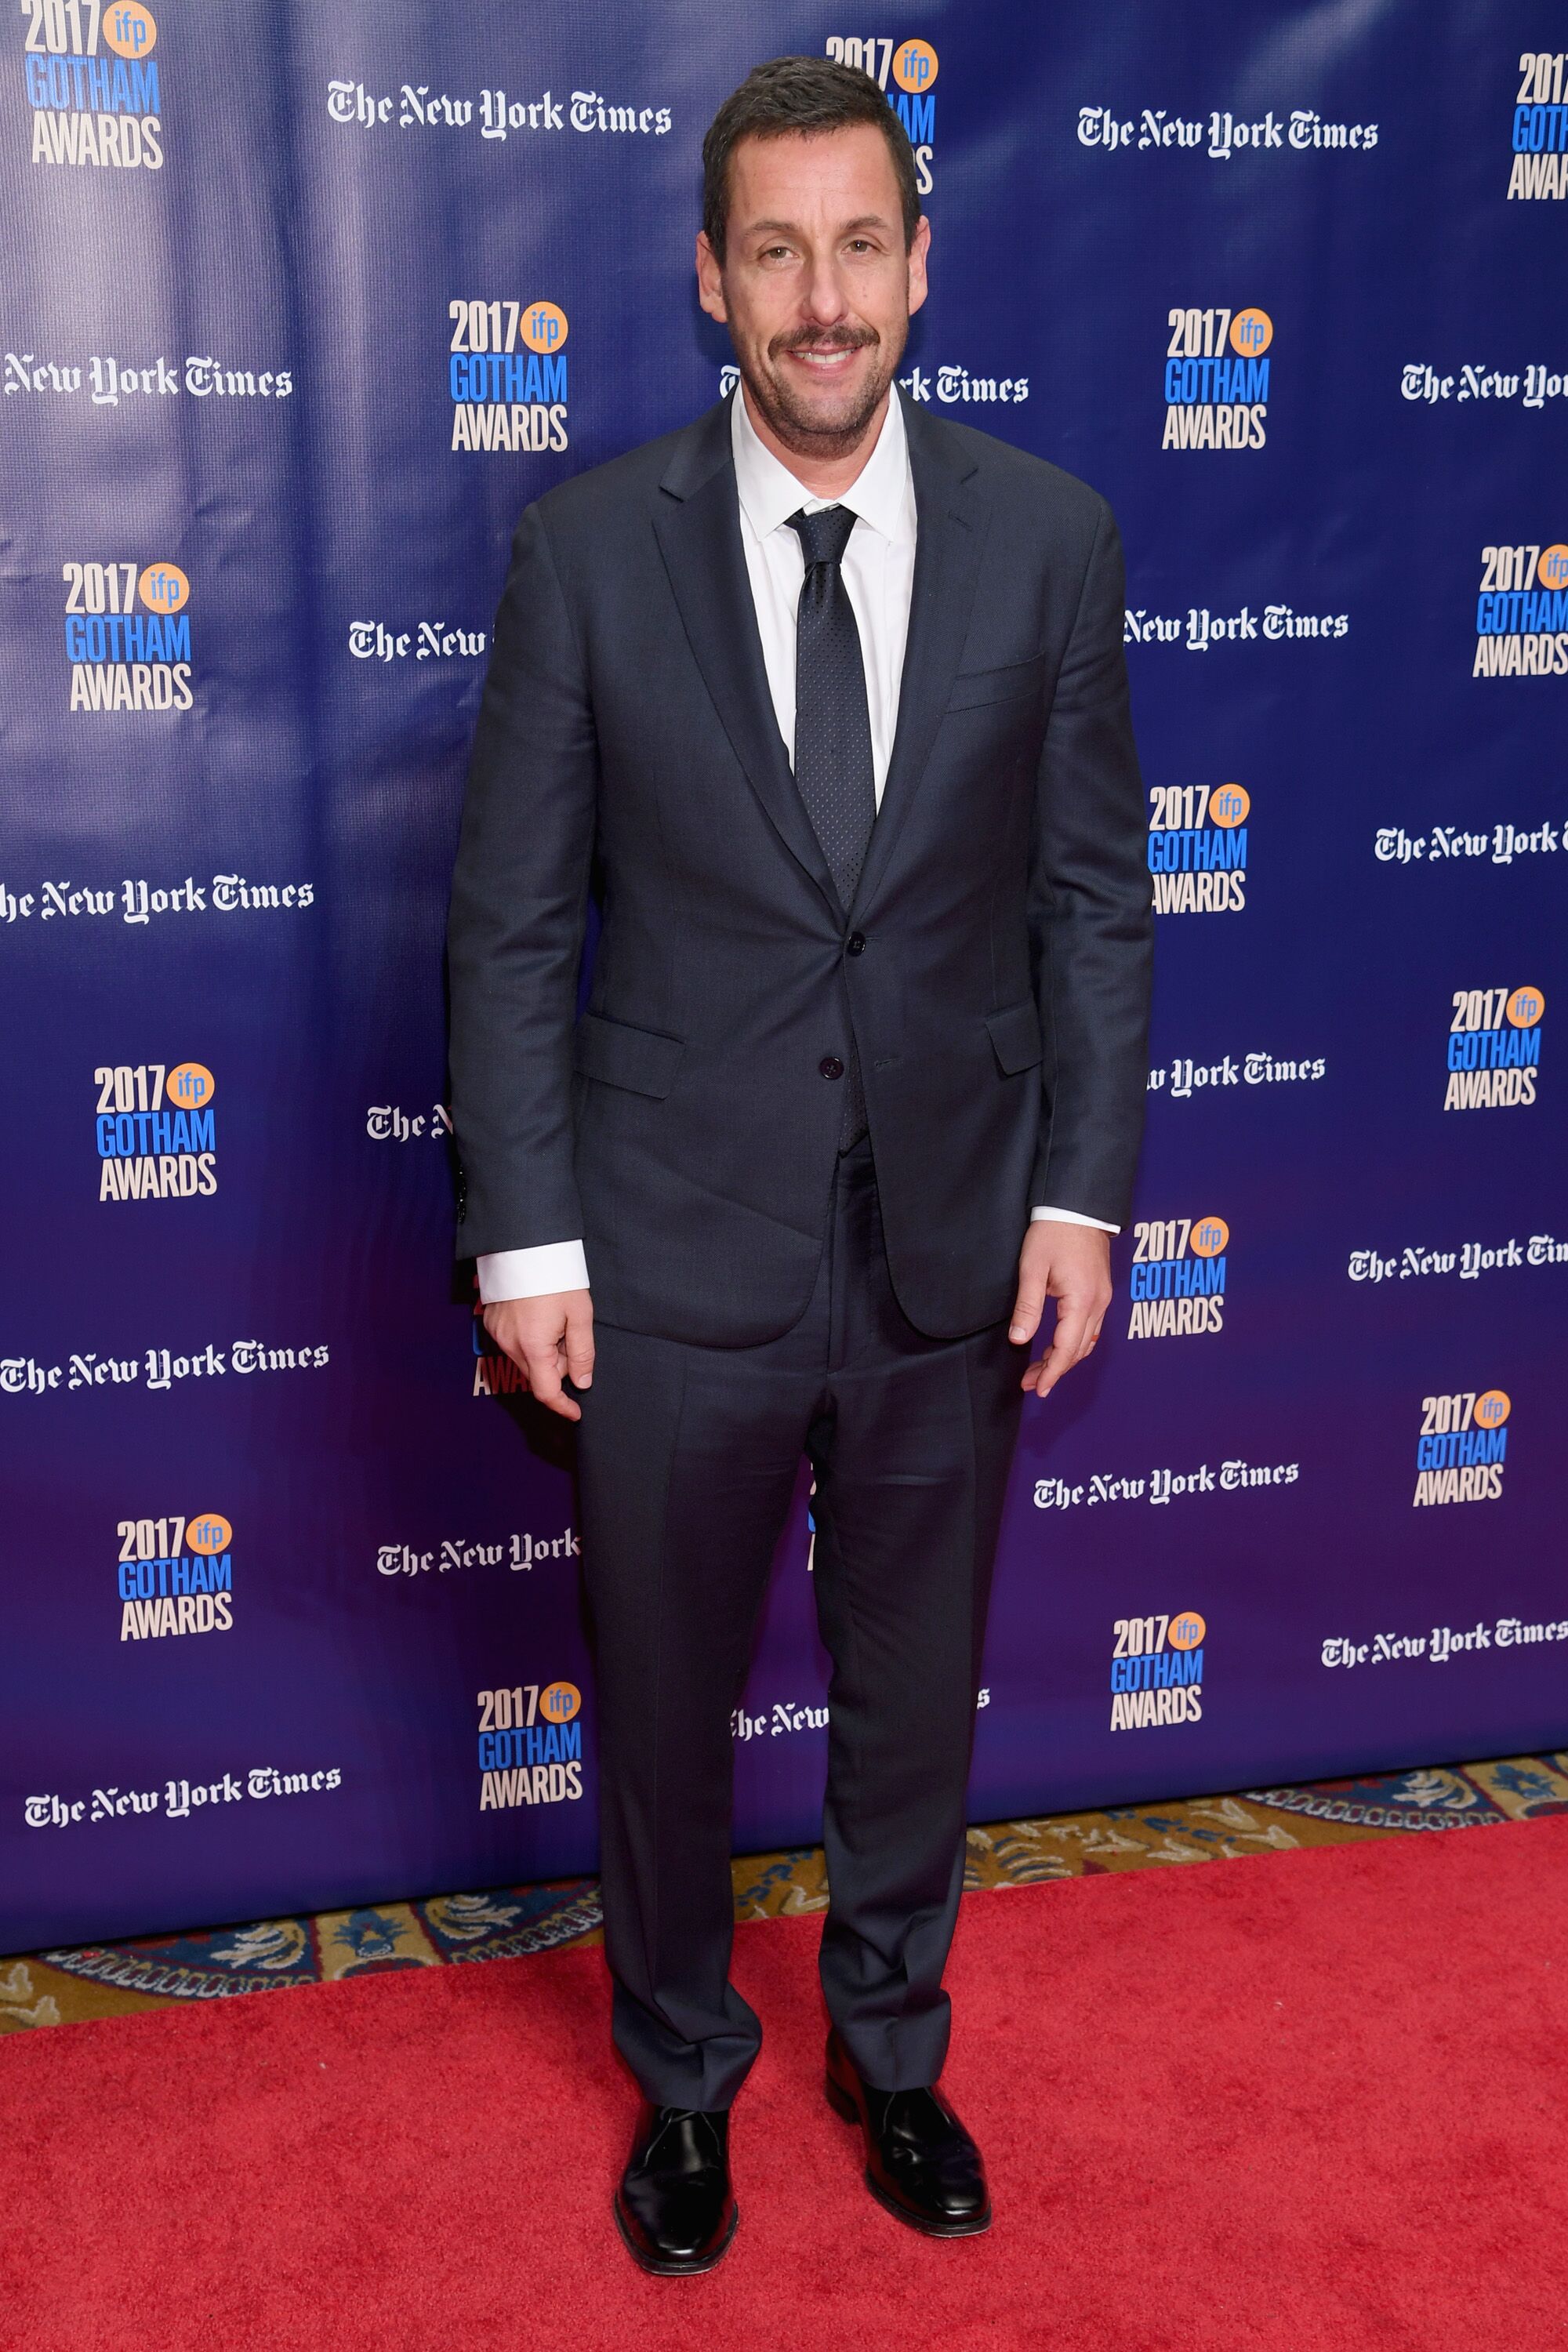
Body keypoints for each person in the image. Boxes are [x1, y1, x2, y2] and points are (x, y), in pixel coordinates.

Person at [447, 54, 1152, 2274]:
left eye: (862, 247)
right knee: (659, 1705)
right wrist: (528, 1236)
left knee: (911, 1683)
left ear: (922, 267)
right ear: (710, 278)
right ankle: (681, 2084)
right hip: (666, 1251)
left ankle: (889, 2044)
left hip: (951, 1240)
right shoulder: (584, 554)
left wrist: (1080, 1193)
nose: (821, 298)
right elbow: (509, 920)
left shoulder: (1052, 541)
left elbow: (1092, 905)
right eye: (777, 252)